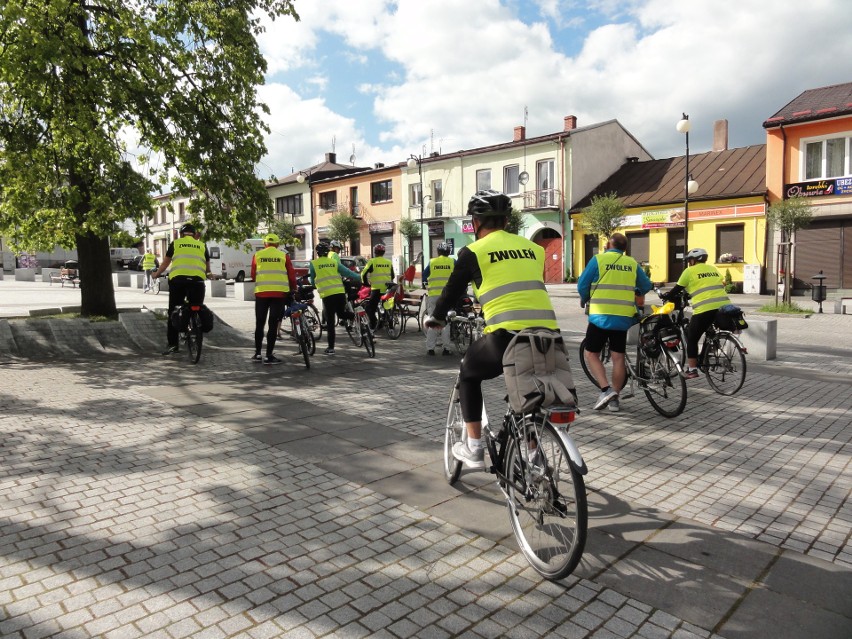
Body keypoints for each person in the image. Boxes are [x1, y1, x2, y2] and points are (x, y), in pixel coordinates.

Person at [425, 190, 560, 469]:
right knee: (529, 393)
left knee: (469, 374)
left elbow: (451, 292)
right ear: (507, 221)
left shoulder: (473, 251)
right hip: (549, 337)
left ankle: (474, 447)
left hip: (506, 336)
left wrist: (437, 319)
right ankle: (534, 455)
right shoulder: (534, 250)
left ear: (475, 222)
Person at [578, 232, 653, 412]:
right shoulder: (632, 263)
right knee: (618, 356)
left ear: (608, 246)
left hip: (600, 316)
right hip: (623, 317)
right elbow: (646, 286)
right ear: (624, 248)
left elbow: (582, 285)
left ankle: (606, 389)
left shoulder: (598, 260)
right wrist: (633, 290)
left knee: (590, 353)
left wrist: (585, 298)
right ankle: (615, 400)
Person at [662, 247, 731, 379]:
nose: (689, 263)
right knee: (708, 329)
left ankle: (692, 369)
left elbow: (677, 288)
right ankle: (710, 348)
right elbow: (714, 285)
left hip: (704, 309)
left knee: (692, 337)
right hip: (724, 307)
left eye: (690, 260)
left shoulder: (689, 271)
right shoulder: (713, 269)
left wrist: (667, 296)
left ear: (693, 260)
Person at [150, 223, 211, 355]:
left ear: (181, 234)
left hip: (178, 281)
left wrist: (156, 274)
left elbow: (165, 263)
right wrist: (209, 274)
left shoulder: (176, 243)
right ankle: (196, 329)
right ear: (194, 234)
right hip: (198, 282)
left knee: (173, 311)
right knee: (196, 306)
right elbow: (207, 266)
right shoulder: (202, 245)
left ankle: (173, 345)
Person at [250, 233, 297, 365]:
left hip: (261, 294)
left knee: (259, 324)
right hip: (279, 295)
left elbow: (253, 275)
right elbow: (291, 275)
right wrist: (294, 288)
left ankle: (257, 354)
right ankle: (269, 355)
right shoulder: (283, 256)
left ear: (265, 244)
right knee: (272, 324)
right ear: (277, 244)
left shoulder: (257, 255)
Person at [309, 243, 360, 355]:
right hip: (339, 292)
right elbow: (348, 272)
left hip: (327, 295)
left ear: (317, 253)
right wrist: (359, 277)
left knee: (330, 321)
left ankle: (331, 348)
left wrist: (314, 285)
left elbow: (312, 280)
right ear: (328, 252)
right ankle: (355, 316)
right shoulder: (334, 262)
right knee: (341, 314)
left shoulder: (313, 264)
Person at [423, 242, 455, 356]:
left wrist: (427, 285)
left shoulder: (432, 262)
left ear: (438, 252)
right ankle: (446, 349)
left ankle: (430, 349)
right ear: (449, 252)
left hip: (434, 295)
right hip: (447, 296)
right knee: (446, 322)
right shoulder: (452, 262)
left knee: (433, 319)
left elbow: (424, 276)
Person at [361, 243, 395, 329]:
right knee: (386, 306)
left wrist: (365, 283)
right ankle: (388, 324)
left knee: (370, 308)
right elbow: (393, 276)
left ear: (375, 252)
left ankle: (373, 325)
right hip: (387, 289)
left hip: (376, 289)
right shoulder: (388, 262)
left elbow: (363, 274)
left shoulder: (372, 261)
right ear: (383, 252)